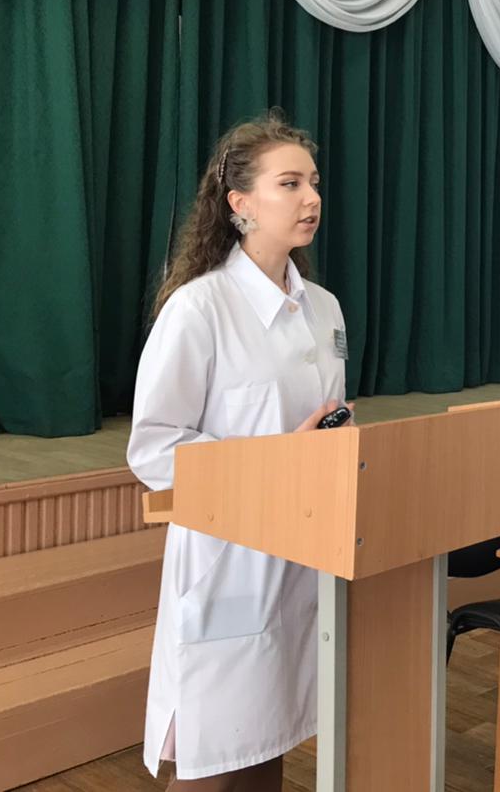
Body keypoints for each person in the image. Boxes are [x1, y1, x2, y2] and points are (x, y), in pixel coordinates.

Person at [127, 112, 351, 791]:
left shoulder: (325, 309)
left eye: (313, 182)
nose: (311, 198)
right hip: (228, 559)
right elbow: (154, 445)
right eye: (290, 184)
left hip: (301, 547)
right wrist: (277, 460)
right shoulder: (199, 309)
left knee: (269, 741)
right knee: (215, 754)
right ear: (240, 203)